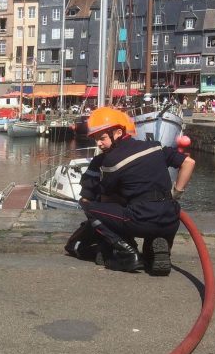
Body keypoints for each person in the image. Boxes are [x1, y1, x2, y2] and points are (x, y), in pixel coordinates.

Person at [65, 107, 196, 275]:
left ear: (118, 133)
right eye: (95, 139)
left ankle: (128, 252)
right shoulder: (155, 147)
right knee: (148, 215)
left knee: (92, 208)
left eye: (101, 138)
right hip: (171, 218)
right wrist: (176, 193)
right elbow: (189, 163)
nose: (98, 143)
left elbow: (102, 199)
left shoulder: (110, 162)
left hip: (139, 219)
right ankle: (155, 248)